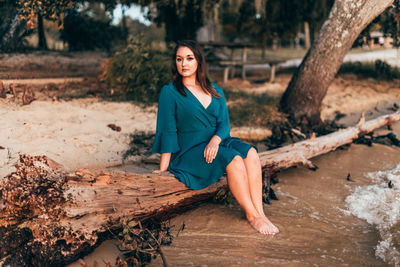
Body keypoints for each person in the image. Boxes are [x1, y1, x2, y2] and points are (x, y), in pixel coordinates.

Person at [152, 40, 279, 235]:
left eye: (189, 58)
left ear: (198, 62)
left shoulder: (215, 89)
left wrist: (215, 140)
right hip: (190, 149)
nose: (184, 64)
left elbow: (224, 125)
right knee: (234, 159)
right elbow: (166, 130)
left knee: (252, 153)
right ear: (175, 63)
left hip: (217, 141)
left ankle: (261, 213)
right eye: (179, 59)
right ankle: (252, 216)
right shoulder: (170, 92)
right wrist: (163, 169)